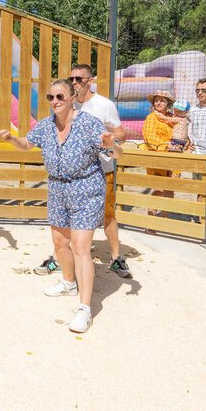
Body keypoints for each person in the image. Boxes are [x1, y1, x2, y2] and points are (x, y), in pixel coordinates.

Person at [0, 79, 115, 334]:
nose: (55, 102)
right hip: (58, 189)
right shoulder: (46, 125)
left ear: (73, 98)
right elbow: (27, 144)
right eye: (51, 97)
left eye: (60, 96)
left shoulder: (88, 123)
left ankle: (84, 308)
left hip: (86, 189)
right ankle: (68, 282)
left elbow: (113, 151)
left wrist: (109, 145)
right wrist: (11, 139)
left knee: (81, 246)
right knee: (60, 243)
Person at [34, 63, 132, 278]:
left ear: (90, 80)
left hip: (100, 169)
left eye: (79, 79)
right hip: (71, 174)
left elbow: (121, 135)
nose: (74, 82)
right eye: (72, 79)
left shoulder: (103, 105)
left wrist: (104, 140)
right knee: (62, 221)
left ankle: (116, 257)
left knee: (108, 214)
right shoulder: (64, 102)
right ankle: (59, 258)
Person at [142, 89, 180, 233]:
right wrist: (167, 146)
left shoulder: (172, 118)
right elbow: (150, 138)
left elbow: (180, 134)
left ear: (168, 103)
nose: (158, 103)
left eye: (162, 100)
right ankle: (151, 225)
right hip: (157, 158)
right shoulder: (151, 118)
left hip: (173, 158)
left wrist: (183, 144)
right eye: (156, 100)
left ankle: (164, 223)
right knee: (158, 190)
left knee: (170, 190)